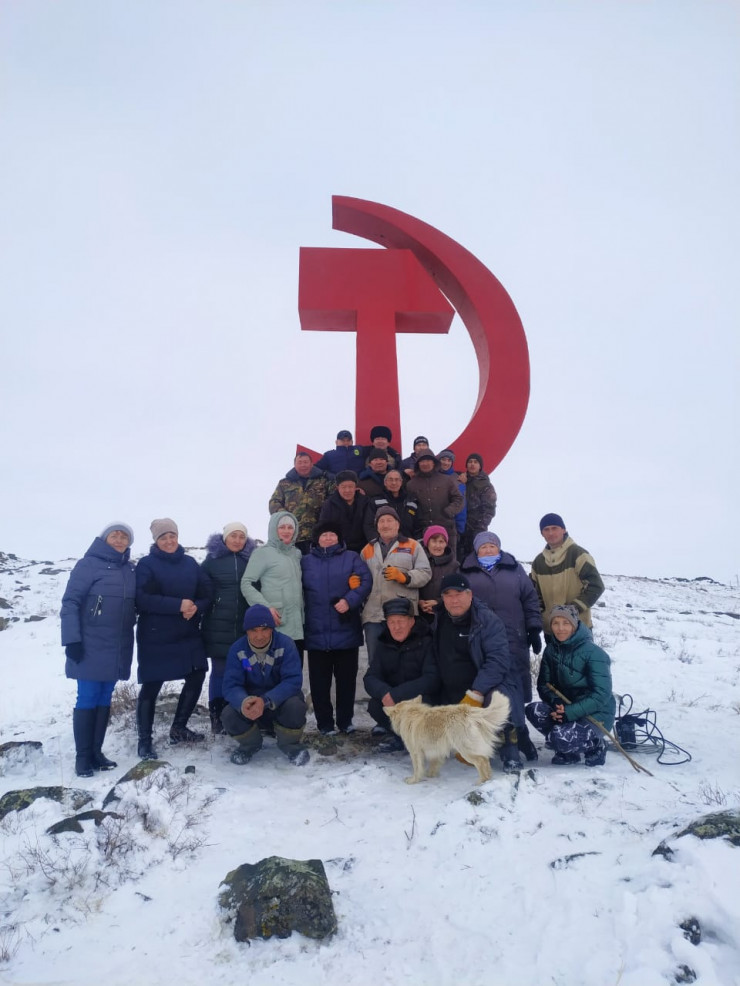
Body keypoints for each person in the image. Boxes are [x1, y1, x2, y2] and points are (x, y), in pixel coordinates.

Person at [60, 523, 137, 777]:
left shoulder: (129, 569)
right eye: (114, 534)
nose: (119, 539)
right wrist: (72, 640)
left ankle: (96, 752)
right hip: (90, 643)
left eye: (124, 536)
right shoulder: (88, 564)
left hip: (116, 645)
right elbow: (70, 602)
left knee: (105, 697)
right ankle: (83, 758)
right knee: (88, 696)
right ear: (104, 539)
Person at [460, 532, 542, 760]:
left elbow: (530, 599)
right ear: (476, 551)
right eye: (483, 547)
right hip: (481, 639)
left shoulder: (514, 570)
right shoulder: (466, 571)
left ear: (499, 548)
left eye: (492, 546)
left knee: (513, 685)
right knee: (491, 687)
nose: (488, 550)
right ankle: (500, 737)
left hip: (513, 638)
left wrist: (534, 628)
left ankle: (521, 734)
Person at [135, 519, 212, 759]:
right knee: (152, 684)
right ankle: (144, 741)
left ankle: (178, 728)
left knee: (198, 672)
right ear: (156, 541)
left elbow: (207, 593)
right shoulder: (146, 565)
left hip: (187, 632)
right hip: (155, 634)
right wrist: (177, 605)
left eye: (172, 535)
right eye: (163, 537)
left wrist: (196, 608)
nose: (169, 541)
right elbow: (141, 599)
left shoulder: (190, 563)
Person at [433, 572, 524, 773]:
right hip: (450, 689)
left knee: (499, 697)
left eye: (459, 594)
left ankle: (510, 746)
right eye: (448, 595)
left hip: (483, 687)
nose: (454, 600)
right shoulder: (438, 619)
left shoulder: (487, 621)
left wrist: (476, 692)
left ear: (470, 595)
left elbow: (498, 661)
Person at [301, 522, 372, 734]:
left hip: (346, 629)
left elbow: (365, 581)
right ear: (317, 539)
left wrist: (349, 601)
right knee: (319, 683)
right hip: (316, 631)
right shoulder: (305, 561)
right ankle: (324, 724)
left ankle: (345, 721)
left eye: (332, 534)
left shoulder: (351, 557)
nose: (328, 538)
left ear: (339, 538)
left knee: (346, 682)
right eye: (324, 535)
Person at [525, 604, 615, 766]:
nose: (560, 629)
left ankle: (596, 745)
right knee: (534, 710)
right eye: (555, 623)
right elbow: (544, 685)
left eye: (565, 623)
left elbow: (602, 694)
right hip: (564, 708)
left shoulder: (594, 653)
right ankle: (569, 752)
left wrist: (569, 712)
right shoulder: (551, 650)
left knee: (558, 737)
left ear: (574, 625)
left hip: (595, 714)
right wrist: (556, 704)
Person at [222, 605, 310, 766]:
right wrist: (244, 702)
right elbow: (231, 685)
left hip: (279, 703)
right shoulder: (237, 649)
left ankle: (291, 745)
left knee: (296, 706)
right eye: (253, 630)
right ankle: (250, 745)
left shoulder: (286, 644)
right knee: (228, 714)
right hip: (251, 705)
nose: (259, 636)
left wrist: (266, 700)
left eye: (264, 629)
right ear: (246, 631)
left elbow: (293, 680)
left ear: (272, 629)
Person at [200, 522, 257, 734]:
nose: (237, 541)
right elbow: (201, 588)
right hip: (217, 625)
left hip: (245, 626)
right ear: (225, 538)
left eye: (241, 537)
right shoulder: (211, 561)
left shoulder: (251, 560)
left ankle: (243, 713)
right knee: (220, 671)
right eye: (233, 536)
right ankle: (217, 716)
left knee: (246, 670)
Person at [363, 597, 440, 749]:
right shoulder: (384, 643)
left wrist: (397, 694)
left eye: (401, 621)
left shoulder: (426, 640)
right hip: (395, 701)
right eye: (392, 622)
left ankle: (424, 739)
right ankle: (401, 738)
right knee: (376, 705)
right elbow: (370, 677)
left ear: (411, 621)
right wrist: (384, 692)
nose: (396, 627)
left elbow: (432, 679)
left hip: (422, 701)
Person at [359, 506, 431, 661]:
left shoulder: (412, 545)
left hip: (402, 613)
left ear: (397, 524)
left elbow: (425, 572)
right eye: (381, 521)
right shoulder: (367, 549)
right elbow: (360, 577)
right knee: (376, 662)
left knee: (405, 661)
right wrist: (355, 581)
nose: (385, 525)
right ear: (377, 526)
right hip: (374, 615)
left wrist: (405, 577)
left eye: (389, 520)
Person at [241, 511, 305, 660]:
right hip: (276, 624)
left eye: (290, 527)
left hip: (297, 625)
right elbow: (246, 583)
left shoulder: (296, 554)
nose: (287, 531)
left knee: (295, 672)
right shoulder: (262, 553)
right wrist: (265, 608)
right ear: (273, 530)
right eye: (282, 527)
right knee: (275, 673)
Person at [530, 513, 605, 634]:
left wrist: (571, 610)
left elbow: (596, 585)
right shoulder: (538, 562)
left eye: (555, 528)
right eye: (546, 529)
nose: (550, 533)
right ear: (542, 533)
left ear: (563, 530)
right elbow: (534, 594)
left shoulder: (578, 554)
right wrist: (542, 614)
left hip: (578, 629)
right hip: (551, 630)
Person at [268, 452, 334, 554]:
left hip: (317, 536)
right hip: (292, 537)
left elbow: (334, 498)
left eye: (306, 462)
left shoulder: (324, 481)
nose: (303, 465)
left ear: (311, 464)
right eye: (300, 462)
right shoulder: (284, 483)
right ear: (295, 465)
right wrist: (286, 517)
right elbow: (274, 502)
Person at [405, 450, 464, 555]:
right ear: (418, 464)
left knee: (450, 564)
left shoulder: (446, 480)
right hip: (423, 532)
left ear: (434, 462)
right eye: (422, 461)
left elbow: (459, 499)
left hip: (447, 530)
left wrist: (449, 511)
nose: (425, 464)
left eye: (428, 460)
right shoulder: (411, 485)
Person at [317, 470, 376, 553]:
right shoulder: (329, 504)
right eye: (343, 487)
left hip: (364, 548)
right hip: (338, 548)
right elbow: (324, 527)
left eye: (350, 486)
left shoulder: (365, 502)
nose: (347, 490)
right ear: (337, 488)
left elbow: (370, 525)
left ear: (356, 487)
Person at [457, 453, 497, 561]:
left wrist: (480, 526)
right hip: (460, 526)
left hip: (477, 528)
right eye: (470, 462)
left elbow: (489, 509)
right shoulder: (461, 480)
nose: (472, 464)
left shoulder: (486, 485)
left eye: (475, 462)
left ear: (480, 466)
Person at [418, 525, 459, 620]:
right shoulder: (417, 561)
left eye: (441, 541)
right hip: (420, 615)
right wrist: (419, 602)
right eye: (434, 541)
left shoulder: (455, 566)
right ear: (427, 543)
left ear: (446, 544)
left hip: (446, 615)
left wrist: (439, 602)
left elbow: (457, 591)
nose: (438, 546)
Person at [367, 469, 418, 537]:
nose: (394, 483)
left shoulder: (411, 501)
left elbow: (419, 524)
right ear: (385, 483)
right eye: (390, 480)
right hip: (384, 544)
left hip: (408, 543)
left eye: (397, 480)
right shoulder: (375, 501)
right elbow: (369, 525)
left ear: (401, 482)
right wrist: (378, 543)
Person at [438, 449, 467, 544]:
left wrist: (459, 529)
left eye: (449, 460)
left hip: (451, 527)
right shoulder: (432, 476)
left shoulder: (458, 479)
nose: (446, 463)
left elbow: (461, 506)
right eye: (443, 459)